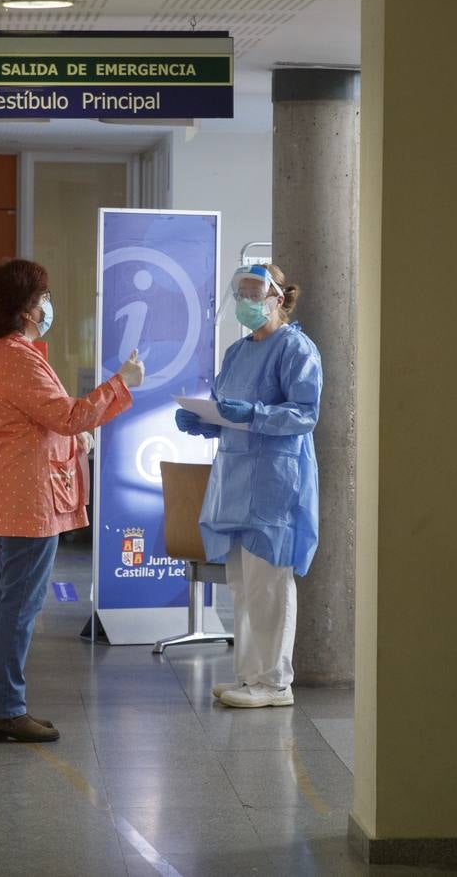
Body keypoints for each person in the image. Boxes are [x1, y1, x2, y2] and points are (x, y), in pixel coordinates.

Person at [0, 258, 144, 742]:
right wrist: (122, 380)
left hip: (13, 492)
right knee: (18, 607)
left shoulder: (0, 353)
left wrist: (74, 440)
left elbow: (36, 424)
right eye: (42, 299)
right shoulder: (17, 358)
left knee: (7, 603)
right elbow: (69, 416)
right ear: (26, 310)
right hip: (26, 499)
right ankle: (6, 708)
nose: (48, 306)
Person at [174, 263, 322, 709]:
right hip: (236, 478)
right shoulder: (237, 352)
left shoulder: (296, 349)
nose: (245, 301)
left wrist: (253, 414)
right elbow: (229, 412)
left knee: (269, 582)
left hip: (275, 480)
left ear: (277, 298)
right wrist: (206, 422)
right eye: (240, 293)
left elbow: (305, 414)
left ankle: (274, 683)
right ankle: (249, 675)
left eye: (254, 293)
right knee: (241, 581)